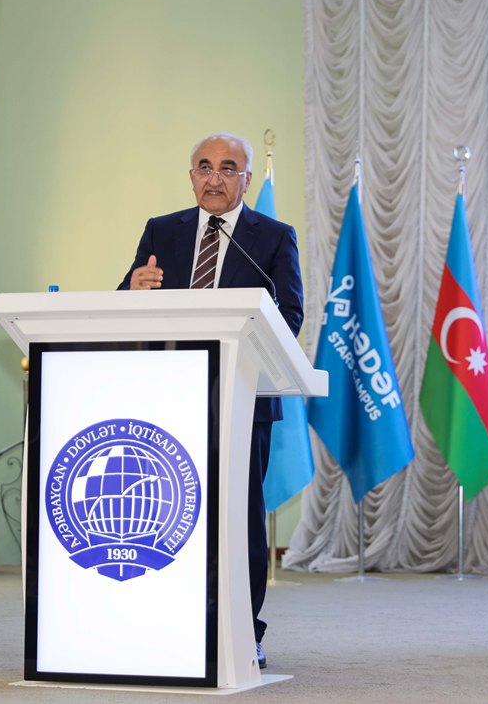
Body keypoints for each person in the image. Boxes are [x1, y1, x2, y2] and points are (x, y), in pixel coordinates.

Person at [118, 132, 304, 669]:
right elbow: (127, 299)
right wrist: (132, 289)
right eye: (204, 167)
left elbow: (290, 315)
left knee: (239, 517)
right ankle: (172, 622)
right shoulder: (162, 230)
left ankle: (244, 630)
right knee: (168, 510)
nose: (214, 178)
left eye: (227, 168)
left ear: (246, 179)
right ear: (192, 176)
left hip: (243, 395)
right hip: (169, 396)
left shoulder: (273, 236)